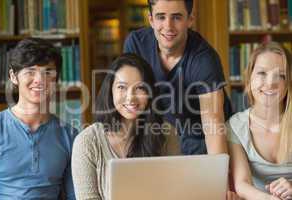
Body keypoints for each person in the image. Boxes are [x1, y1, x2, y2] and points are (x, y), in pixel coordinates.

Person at [123, 0, 232, 155]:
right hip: (166, 132)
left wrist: (219, 173)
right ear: (151, 19)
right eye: (161, 17)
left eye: (176, 17)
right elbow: (129, 102)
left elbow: (213, 122)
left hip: (205, 136)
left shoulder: (204, 59)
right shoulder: (137, 44)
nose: (168, 26)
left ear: (190, 19)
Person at [71, 53, 180, 200]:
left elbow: (175, 192)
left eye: (140, 88)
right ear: (110, 91)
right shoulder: (87, 142)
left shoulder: (168, 134)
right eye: (122, 87)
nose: (130, 97)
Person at [0, 38, 77, 199]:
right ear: (13, 76)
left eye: (47, 72)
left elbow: (75, 195)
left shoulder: (70, 136)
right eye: (30, 71)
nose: (39, 80)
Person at [227, 42, 292, 200]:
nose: (270, 83)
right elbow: (242, 183)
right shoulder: (236, 125)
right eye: (262, 73)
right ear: (249, 78)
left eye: (281, 75)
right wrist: (269, 199)